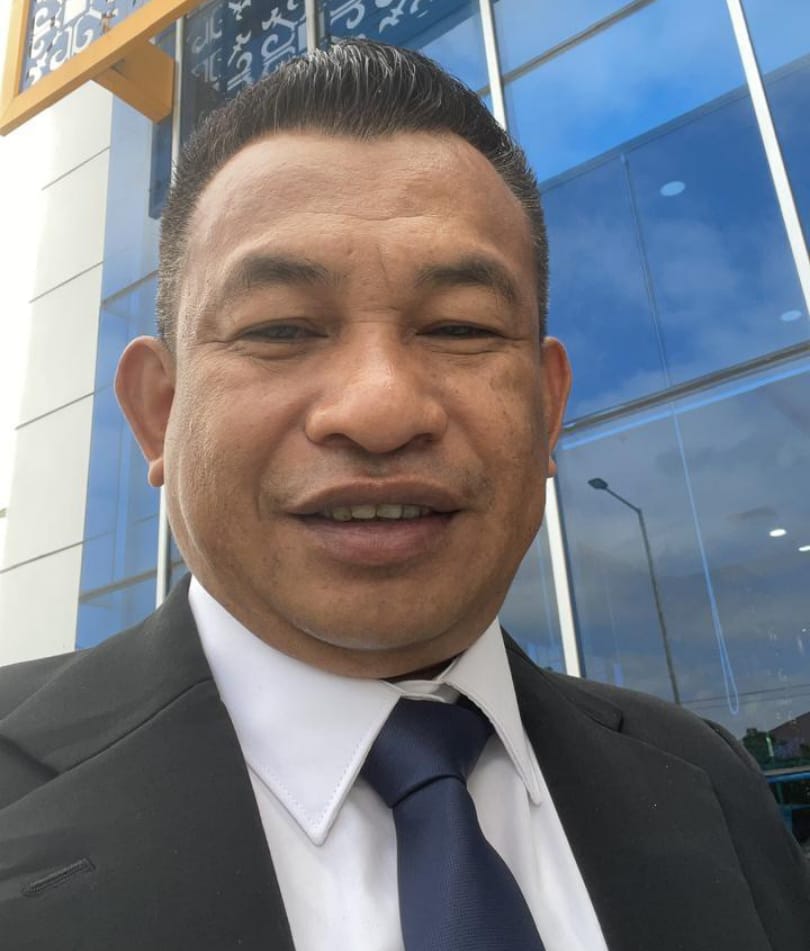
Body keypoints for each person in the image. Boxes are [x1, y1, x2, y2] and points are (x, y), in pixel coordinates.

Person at [0, 39, 808, 951]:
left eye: (460, 327)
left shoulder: (711, 782)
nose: (380, 409)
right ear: (159, 412)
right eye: (281, 329)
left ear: (547, 409)